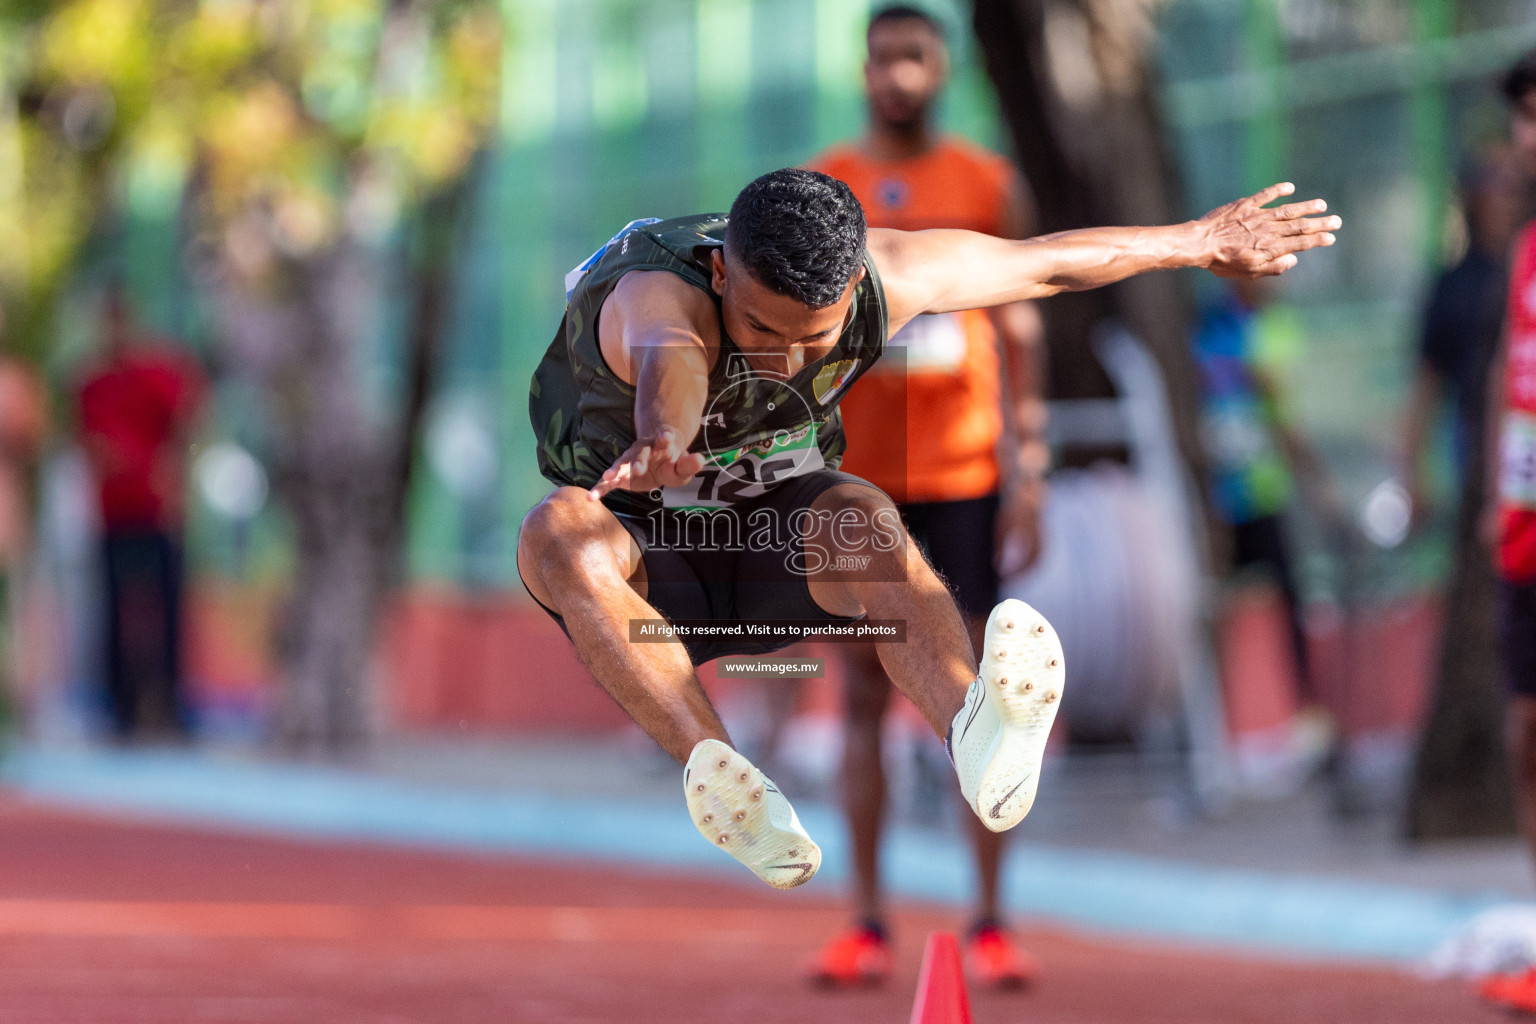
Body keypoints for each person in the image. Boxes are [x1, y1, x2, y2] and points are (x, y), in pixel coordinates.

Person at [516, 167, 1338, 897]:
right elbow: (671, 365)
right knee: (558, 531)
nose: (786, 361)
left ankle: (976, 733)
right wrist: (665, 438)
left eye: (816, 338)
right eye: (762, 332)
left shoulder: (888, 276)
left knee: (862, 515)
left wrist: (1196, 241)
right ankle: (726, 782)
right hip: (650, 564)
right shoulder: (657, 298)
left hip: (775, 540)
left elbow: (1044, 264)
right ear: (724, 272)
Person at [801, 5, 1046, 989]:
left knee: (971, 692)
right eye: (882, 57)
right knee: (863, 691)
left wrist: (1032, 465)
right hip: (859, 484)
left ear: (940, 68)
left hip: (965, 473)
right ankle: (864, 918)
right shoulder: (823, 186)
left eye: (915, 56)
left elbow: (1021, 316)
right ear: (861, 69)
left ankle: (990, 918)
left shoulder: (985, 183)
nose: (897, 74)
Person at [1474, 50, 1536, 1017]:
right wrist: (1495, 488)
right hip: (1525, 524)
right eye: (1523, 117)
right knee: (1528, 732)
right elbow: (1504, 371)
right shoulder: (1526, 246)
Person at [76, 287, 204, 740]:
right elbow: (85, 443)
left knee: (166, 611)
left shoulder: (158, 373)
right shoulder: (91, 383)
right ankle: (121, 709)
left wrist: (176, 477)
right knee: (114, 611)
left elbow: (189, 423)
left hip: (157, 511)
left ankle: (169, 705)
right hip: (113, 515)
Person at [1402, 147, 1527, 509]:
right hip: (1477, 442)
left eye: (1517, 186)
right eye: (1499, 185)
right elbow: (1427, 382)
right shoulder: (1454, 285)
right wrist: (1413, 471)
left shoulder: (1527, 267)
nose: (1511, 197)